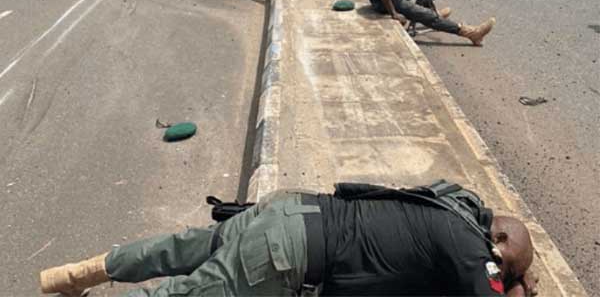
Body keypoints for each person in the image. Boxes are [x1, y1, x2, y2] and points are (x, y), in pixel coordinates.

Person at [40, 180, 539, 297]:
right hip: (290, 255)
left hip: (290, 209)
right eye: (509, 261)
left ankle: (72, 275)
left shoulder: (447, 201)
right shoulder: (471, 248)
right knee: (183, 293)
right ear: (495, 238)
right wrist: (515, 283)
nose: (504, 267)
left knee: (184, 247)